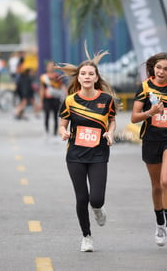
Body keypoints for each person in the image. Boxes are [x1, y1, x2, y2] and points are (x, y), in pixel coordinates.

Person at [56, 50, 116, 252]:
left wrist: (110, 133)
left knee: (96, 199)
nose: (87, 77)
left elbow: (112, 121)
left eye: (91, 74)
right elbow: (62, 125)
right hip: (75, 155)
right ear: (78, 77)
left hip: (99, 154)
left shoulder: (106, 99)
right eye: (83, 74)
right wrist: (64, 132)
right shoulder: (70, 100)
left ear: (96, 77)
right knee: (82, 198)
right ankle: (86, 236)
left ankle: (98, 209)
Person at [131, 52, 167, 247]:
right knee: (156, 186)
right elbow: (134, 117)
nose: (161, 71)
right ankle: (160, 224)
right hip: (151, 139)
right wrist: (150, 112)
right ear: (153, 67)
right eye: (158, 67)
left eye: (166, 69)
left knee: (166, 180)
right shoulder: (145, 87)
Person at [39, 61, 66, 139]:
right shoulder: (43, 77)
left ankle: (55, 132)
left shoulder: (57, 76)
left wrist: (66, 96)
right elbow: (42, 89)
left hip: (56, 98)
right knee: (46, 115)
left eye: (52, 66)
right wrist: (41, 101)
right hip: (47, 99)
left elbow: (62, 86)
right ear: (46, 67)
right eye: (49, 66)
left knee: (55, 116)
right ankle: (47, 131)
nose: (50, 68)